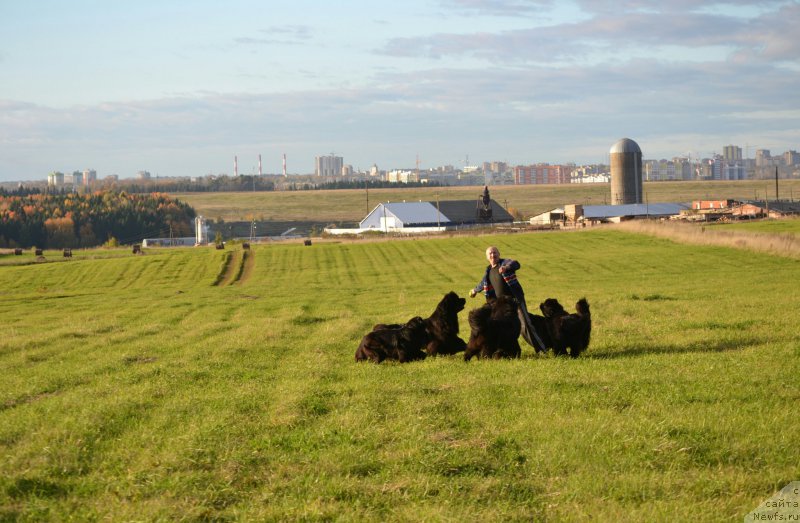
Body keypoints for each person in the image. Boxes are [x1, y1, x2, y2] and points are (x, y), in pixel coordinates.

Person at [469, 246, 547, 353]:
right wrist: (475, 290)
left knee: (525, 325)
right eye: (490, 254)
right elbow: (483, 283)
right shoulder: (488, 271)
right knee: (500, 327)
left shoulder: (505, 263)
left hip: (515, 301)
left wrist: (506, 268)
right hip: (501, 305)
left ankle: (541, 349)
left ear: (499, 254)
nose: (493, 255)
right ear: (487, 257)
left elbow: (516, 263)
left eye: (495, 253)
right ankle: (501, 351)